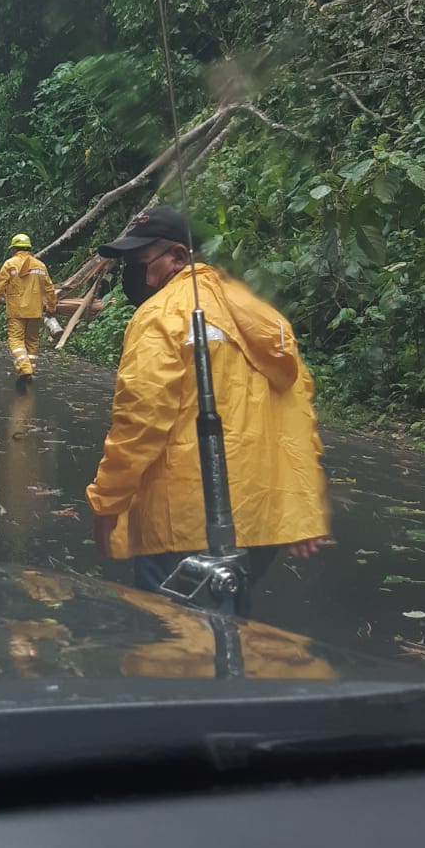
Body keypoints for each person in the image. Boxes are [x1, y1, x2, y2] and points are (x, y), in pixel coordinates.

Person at [85, 206, 330, 598]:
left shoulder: (159, 316)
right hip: (259, 520)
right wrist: (299, 505)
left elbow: (140, 422)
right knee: (225, 633)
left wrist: (106, 502)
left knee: (178, 644)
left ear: (179, 257)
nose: (133, 275)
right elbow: (295, 414)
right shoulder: (260, 314)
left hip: (185, 521)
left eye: (140, 262)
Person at [0, 233, 57, 382]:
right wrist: (51, 308)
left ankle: (24, 368)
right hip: (35, 311)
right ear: (28, 248)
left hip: (16, 310)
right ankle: (30, 370)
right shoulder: (40, 265)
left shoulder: (10, 264)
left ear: (14, 249)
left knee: (16, 340)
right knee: (32, 341)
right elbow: (50, 289)